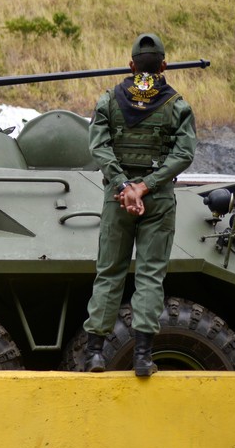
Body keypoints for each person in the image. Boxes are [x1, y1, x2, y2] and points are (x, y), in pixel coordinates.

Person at [82, 33, 196, 377]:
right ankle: (143, 357)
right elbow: (184, 153)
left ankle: (95, 355)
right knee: (149, 276)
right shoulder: (176, 104)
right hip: (157, 199)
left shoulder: (109, 101)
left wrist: (123, 185)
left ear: (131, 65)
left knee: (109, 273)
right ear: (164, 65)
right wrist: (147, 185)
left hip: (118, 199)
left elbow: (98, 147)